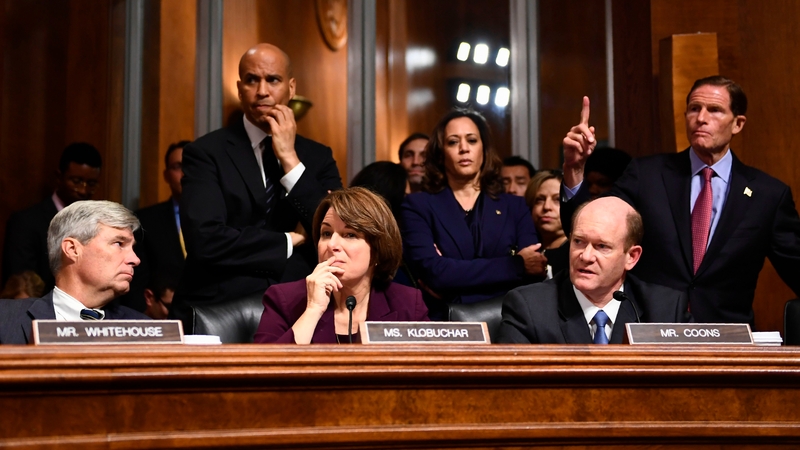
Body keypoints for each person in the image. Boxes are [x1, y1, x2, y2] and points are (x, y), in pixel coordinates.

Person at [561, 75, 800, 325]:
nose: (701, 118)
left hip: (725, 339)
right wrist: (575, 169)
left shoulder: (767, 195)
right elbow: (587, 226)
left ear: (738, 123)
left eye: (715, 110)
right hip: (652, 328)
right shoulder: (647, 175)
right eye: (694, 109)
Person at [174, 43, 342, 331]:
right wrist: (292, 240)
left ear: (291, 88)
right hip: (217, 305)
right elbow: (205, 241)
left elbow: (336, 233)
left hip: (299, 304)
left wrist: (290, 159)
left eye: (272, 80)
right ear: (240, 88)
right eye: (252, 80)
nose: (262, 90)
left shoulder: (317, 156)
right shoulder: (206, 153)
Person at [401, 108, 546, 319]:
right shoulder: (417, 205)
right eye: (452, 142)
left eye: (471, 140)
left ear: (484, 149)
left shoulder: (514, 206)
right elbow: (435, 273)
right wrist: (514, 264)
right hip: (446, 324)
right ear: (440, 153)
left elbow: (534, 270)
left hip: (510, 322)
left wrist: (455, 279)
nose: (463, 149)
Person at [497, 197, 691, 344]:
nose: (586, 256)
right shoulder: (529, 308)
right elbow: (513, 393)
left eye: (602, 246)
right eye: (579, 242)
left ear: (631, 257)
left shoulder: (666, 310)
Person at [254, 187, 429, 344]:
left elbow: (429, 372)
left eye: (350, 234)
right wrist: (313, 309)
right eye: (327, 233)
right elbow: (263, 374)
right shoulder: (285, 299)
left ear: (377, 249)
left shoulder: (407, 303)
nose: (332, 245)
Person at [0, 201, 148, 345]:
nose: (135, 259)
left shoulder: (144, 329)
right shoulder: (5, 319)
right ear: (72, 249)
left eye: (132, 248)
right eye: (119, 244)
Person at [3, 142, 102, 293]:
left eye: (91, 183)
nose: (83, 190)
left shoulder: (100, 223)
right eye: (76, 182)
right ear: (59, 177)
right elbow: (21, 283)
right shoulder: (26, 222)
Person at [123, 140, 189, 313]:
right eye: (178, 166)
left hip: (213, 318)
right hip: (161, 319)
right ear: (166, 175)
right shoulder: (145, 221)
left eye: (192, 165)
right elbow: (136, 282)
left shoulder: (223, 217)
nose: (186, 172)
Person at [525, 170, 568, 277]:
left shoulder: (576, 252)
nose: (547, 207)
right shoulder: (523, 247)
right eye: (539, 200)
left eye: (557, 199)